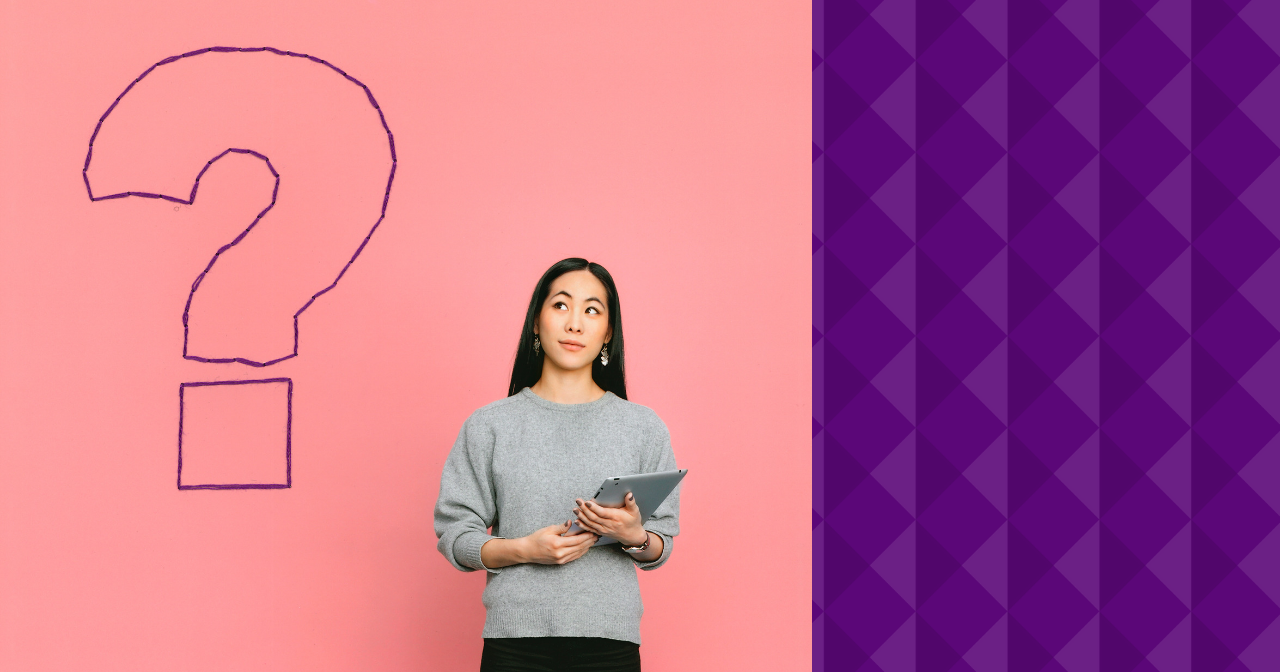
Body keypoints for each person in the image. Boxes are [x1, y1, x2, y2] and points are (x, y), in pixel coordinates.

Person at [434, 257, 681, 672]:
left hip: (610, 644)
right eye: (561, 306)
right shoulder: (490, 425)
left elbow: (661, 543)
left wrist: (632, 534)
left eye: (591, 310)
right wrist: (522, 550)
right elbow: (455, 535)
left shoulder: (643, 427)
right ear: (536, 321)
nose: (575, 324)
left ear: (608, 333)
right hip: (514, 646)